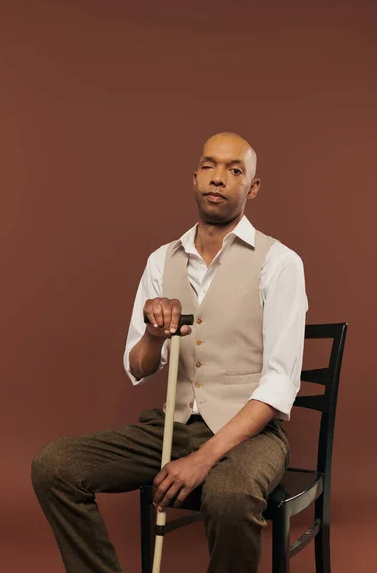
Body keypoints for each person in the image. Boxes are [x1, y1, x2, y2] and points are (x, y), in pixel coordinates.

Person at [31, 132, 308, 573]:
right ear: (194, 177)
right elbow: (137, 367)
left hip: (250, 435)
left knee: (230, 495)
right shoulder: (162, 260)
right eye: (209, 166)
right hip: (171, 426)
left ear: (252, 187)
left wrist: (201, 460)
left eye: (234, 170)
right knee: (54, 466)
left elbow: (279, 385)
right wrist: (155, 335)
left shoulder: (280, 263)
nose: (219, 178)